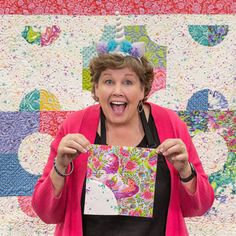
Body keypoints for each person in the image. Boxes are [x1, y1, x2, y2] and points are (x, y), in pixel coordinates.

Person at [32, 13, 214, 236]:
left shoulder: (170, 124)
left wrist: (186, 171)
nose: (117, 90)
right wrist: (59, 167)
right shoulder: (74, 126)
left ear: (143, 90)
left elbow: (200, 207)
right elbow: (46, 213)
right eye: (108, 81)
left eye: (128, 82)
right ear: (96, 88)